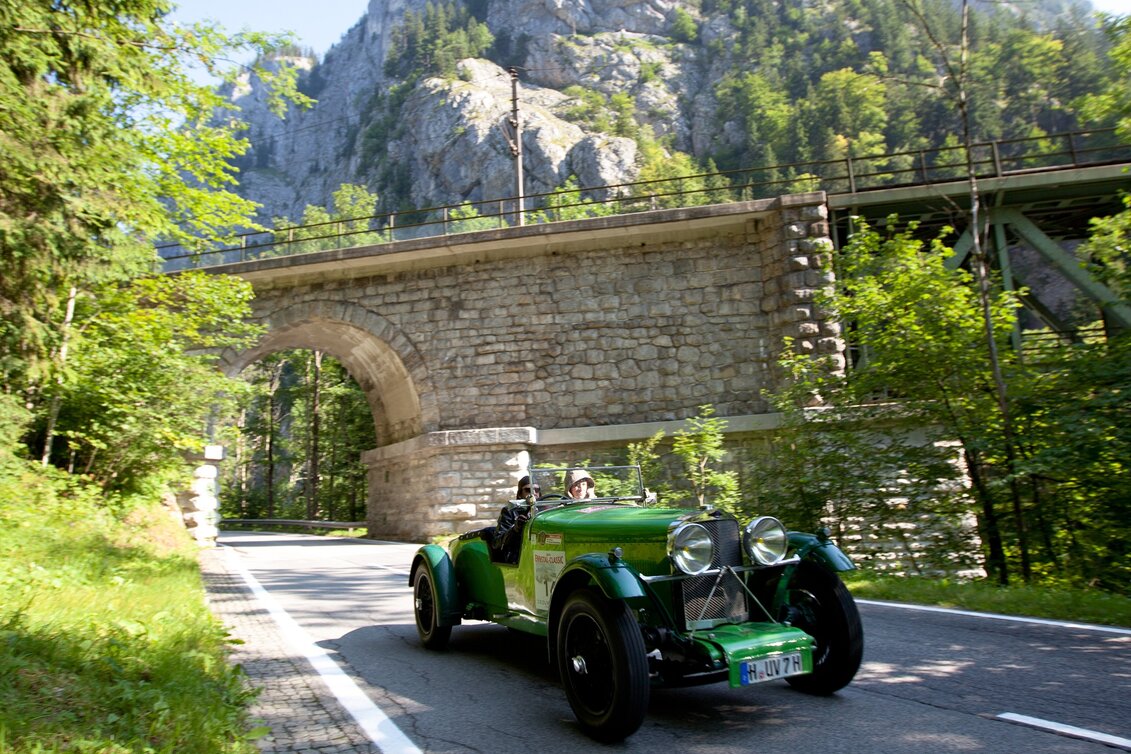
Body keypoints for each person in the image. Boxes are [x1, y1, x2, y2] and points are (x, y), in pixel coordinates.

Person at [491, 475, 537, 563]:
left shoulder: (546, 510)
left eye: (537, 490)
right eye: (528, 490)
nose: (534, 493)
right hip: (518, 557)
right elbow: (496, 543)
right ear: (520, 494)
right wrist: (515, 529)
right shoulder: (510, 511)